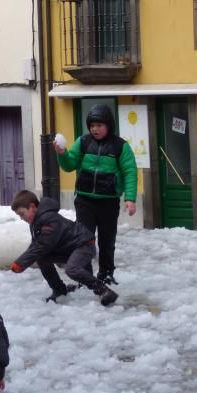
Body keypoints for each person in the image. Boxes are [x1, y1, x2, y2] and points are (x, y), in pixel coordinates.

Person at [55, 104, 137, 286]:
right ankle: (84, 275)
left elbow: (130, 172)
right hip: (85, 200)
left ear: (108, 125)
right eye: (92, 125)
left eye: (99, 125)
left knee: (107, 239)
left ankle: (106, 273)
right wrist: (62, 154)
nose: (95, 129)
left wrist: (130, 199)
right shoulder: (83, 142)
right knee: (84, 239)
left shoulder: (120, 146)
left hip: (109, 201)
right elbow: (69, 165)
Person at [10, 190, 118, 307]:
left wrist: (20, 263)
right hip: (70, 248)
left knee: (72, 269)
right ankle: (59, 290)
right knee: (41, 257)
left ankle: (104, 290)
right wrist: (23, 261)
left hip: (84, 245)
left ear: (32, 207)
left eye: (22, 214)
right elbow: (36, 245)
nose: (21, 218)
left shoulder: (49, 219)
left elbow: (42, 245)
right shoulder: (36, 222)